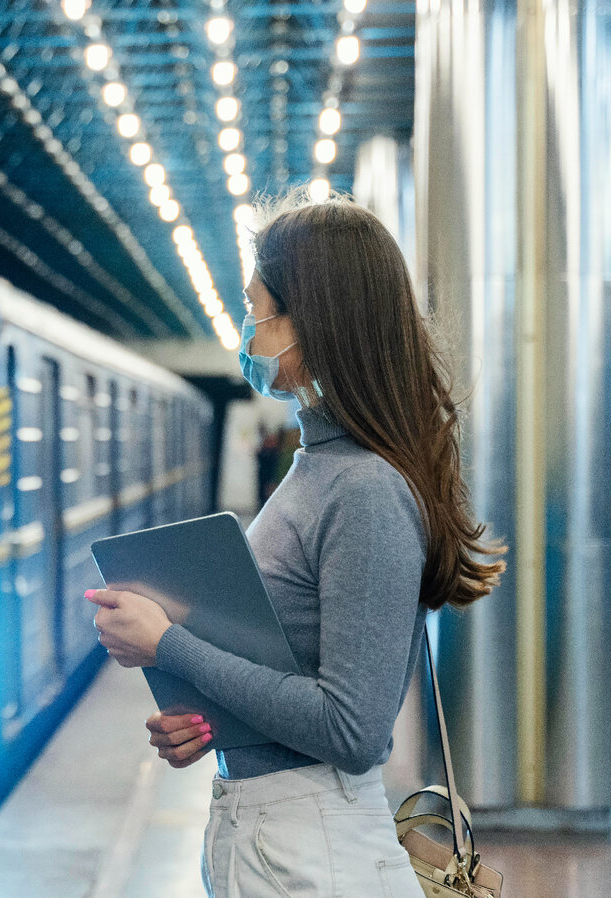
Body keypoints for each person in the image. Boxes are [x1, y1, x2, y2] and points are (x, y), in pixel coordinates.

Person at [86, 193, 506, 897]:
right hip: (277, 841)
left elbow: (352, 729)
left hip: (315, 853)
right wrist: (215, 729)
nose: (249, 329)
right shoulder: (317, 467)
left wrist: (170, 646)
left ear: (316, 320)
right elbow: (294, 670)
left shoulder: (364, 489)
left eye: (259, 310)